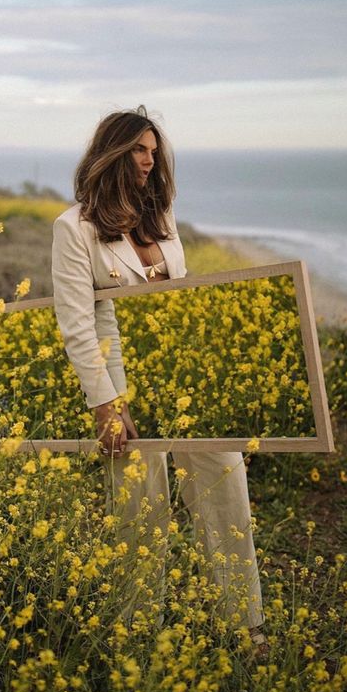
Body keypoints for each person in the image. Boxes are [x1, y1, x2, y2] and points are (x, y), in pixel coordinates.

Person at [51, 106, 269, 660]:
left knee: (226, 488)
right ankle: (135, 633)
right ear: (113, 154)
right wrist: (106, 402)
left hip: (181, 380)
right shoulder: (73, 228)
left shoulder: (163, 217)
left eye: (154, 150)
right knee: (139, 509)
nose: (151, 160)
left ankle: (244, 626)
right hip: (121, 386)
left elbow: (183, 299)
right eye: (140, 150)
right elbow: (76, 322)